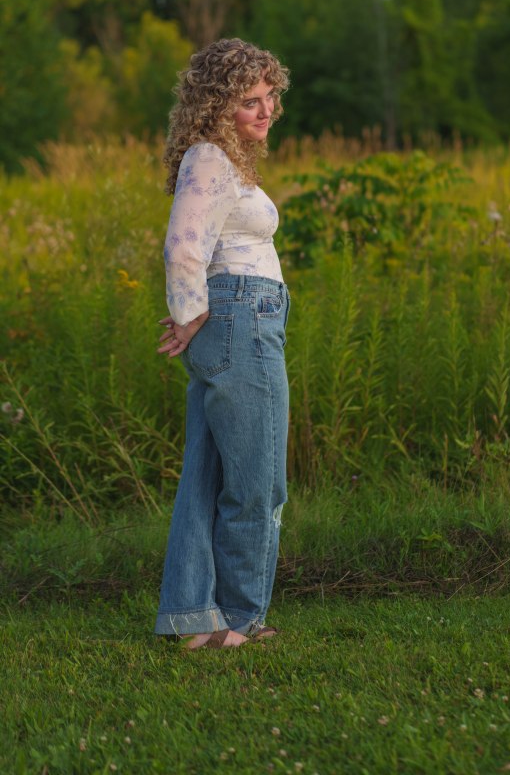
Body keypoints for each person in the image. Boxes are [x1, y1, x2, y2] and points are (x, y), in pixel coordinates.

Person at [154, 37, 291, 650]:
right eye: (250, 100)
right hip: (241, 319)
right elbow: (184, 246)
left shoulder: (220, 159)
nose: (266, 111)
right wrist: (189, 314)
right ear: (215, 105)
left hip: (237, 319)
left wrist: (195, 316)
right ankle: (239, 620)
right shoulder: (210, 156)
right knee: (258, 479)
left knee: (210, 477)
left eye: (270, 97)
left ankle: (194, 619)